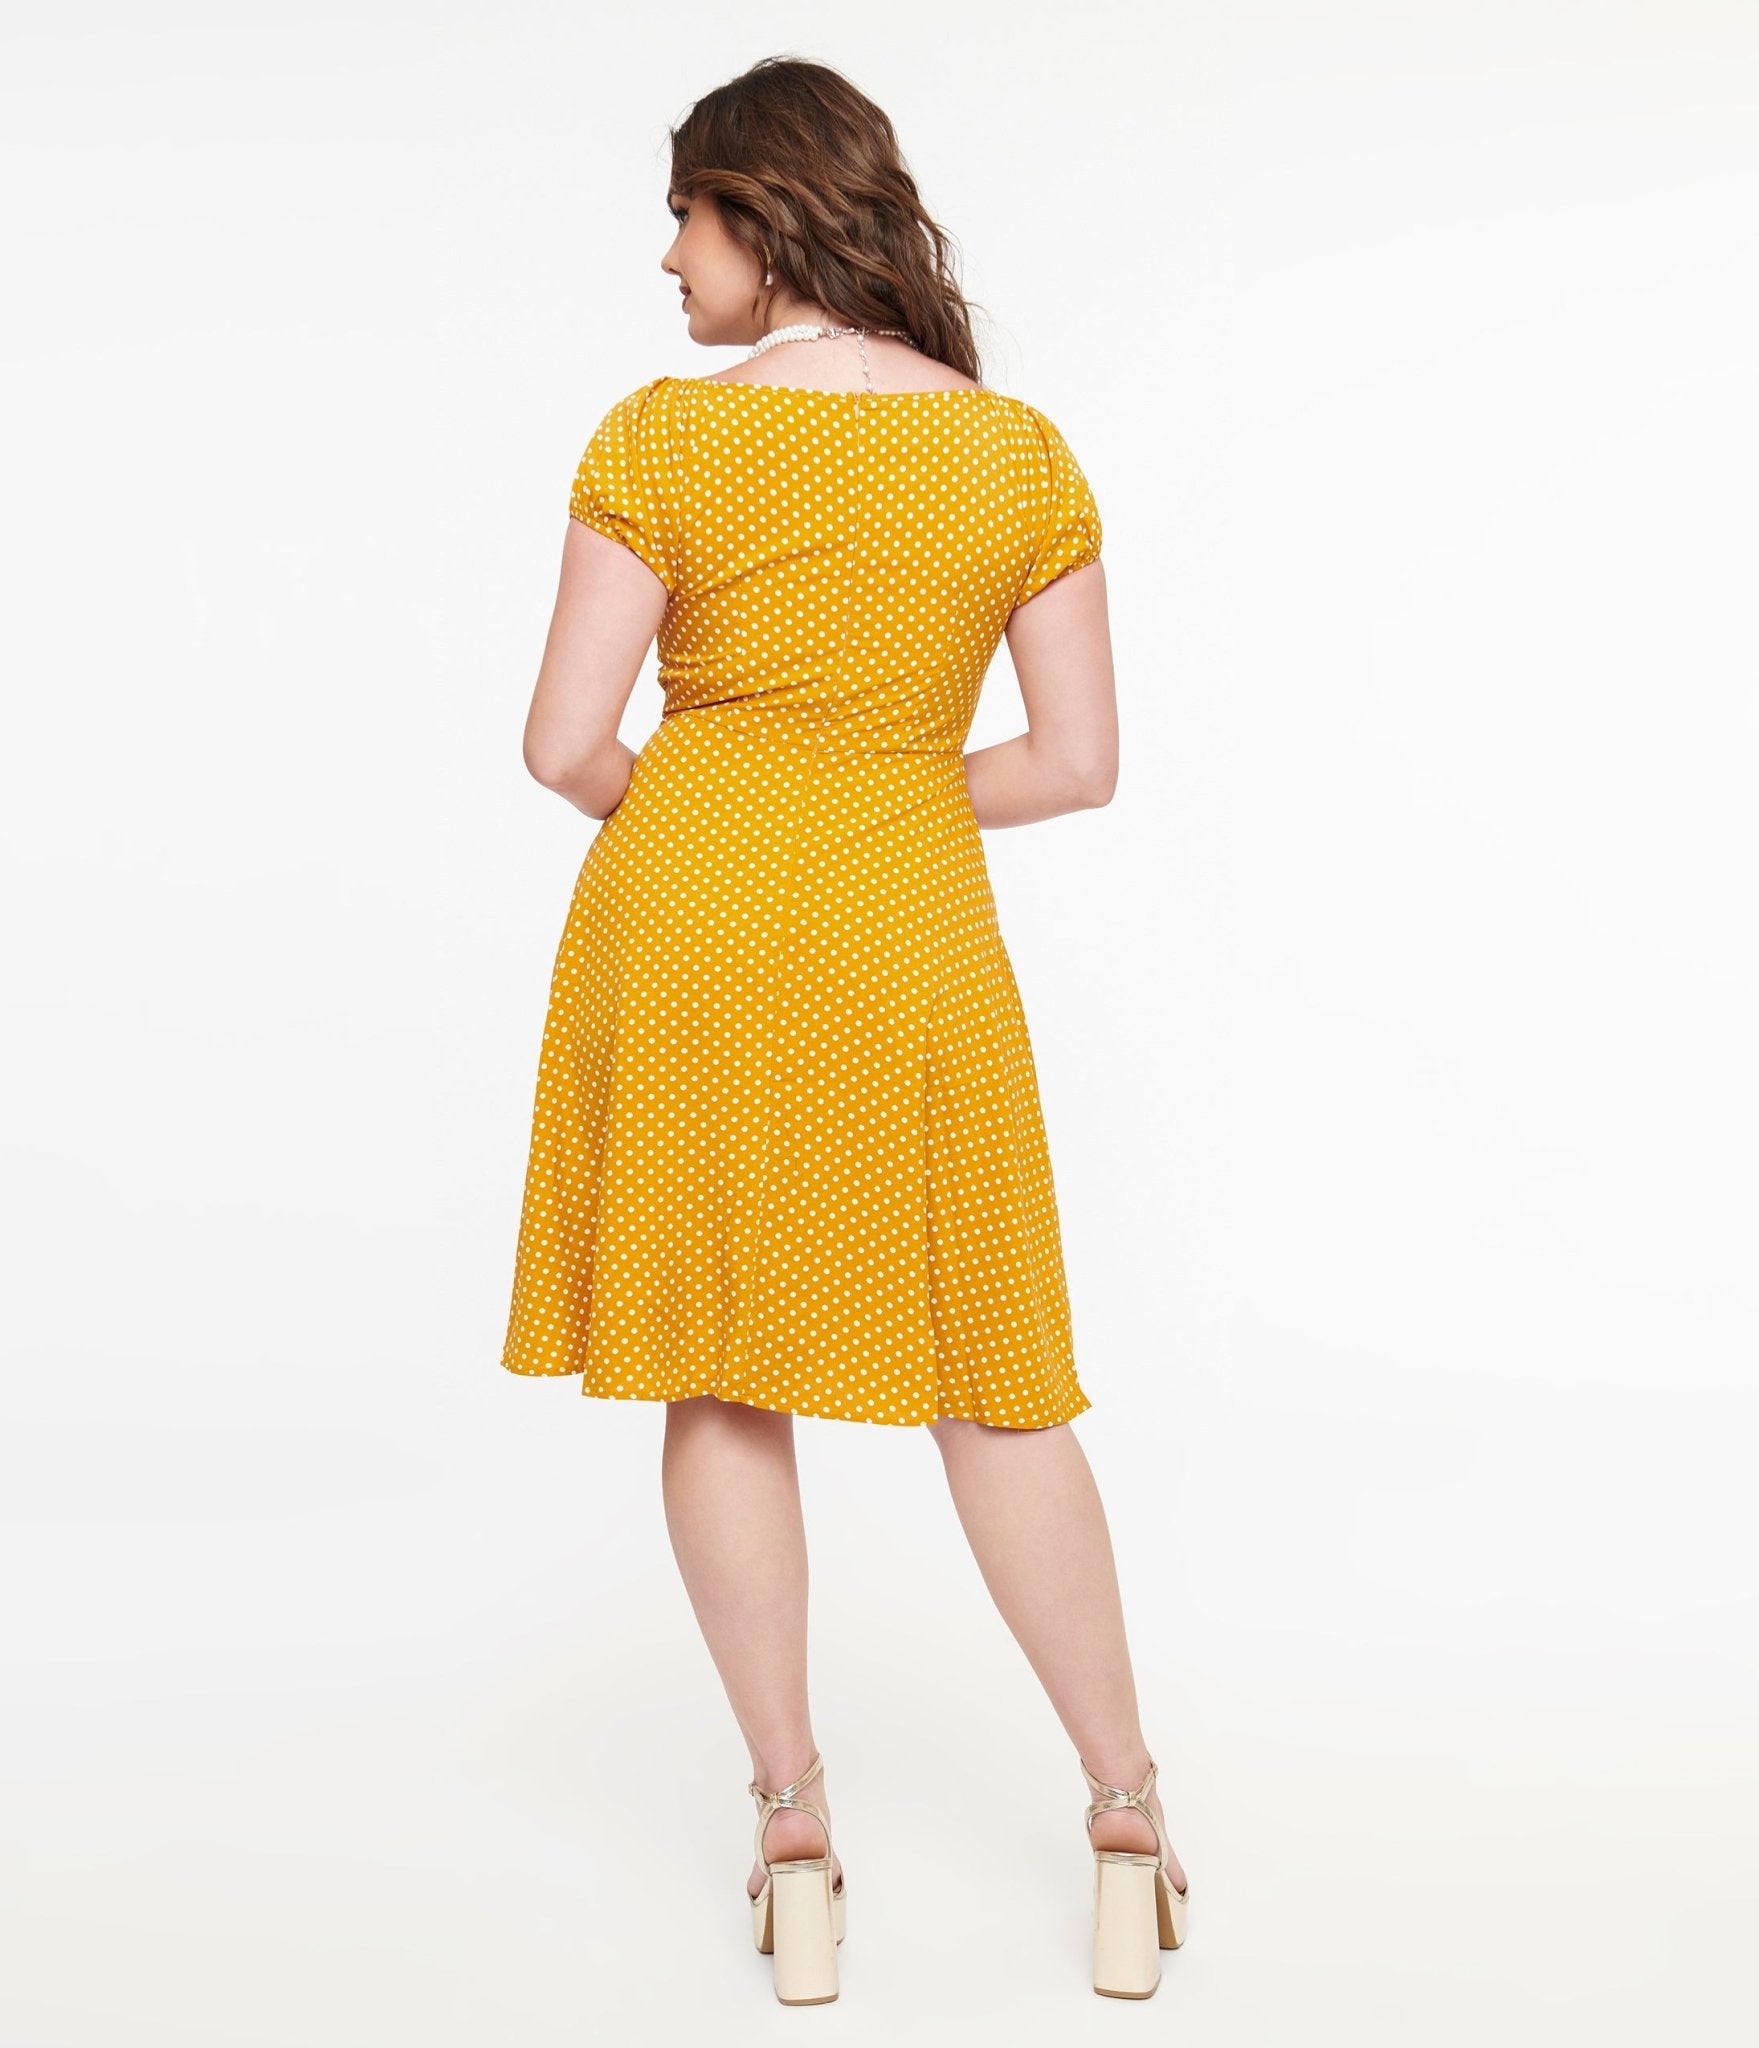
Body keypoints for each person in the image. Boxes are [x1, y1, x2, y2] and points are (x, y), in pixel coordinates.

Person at [499, 55, 1188, 2005]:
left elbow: (563, 743)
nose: (667, 258)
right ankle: (1124, 1816)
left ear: (763, 212)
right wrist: (874, 792)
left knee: (720, 1366)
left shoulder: (664, 436)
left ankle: (793, 1834)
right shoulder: (1016, 455)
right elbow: (1076, 761)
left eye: (685, 216)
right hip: (910, 922)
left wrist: (726, 807)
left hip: (688, 918)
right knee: (995, 1365)